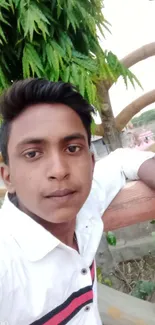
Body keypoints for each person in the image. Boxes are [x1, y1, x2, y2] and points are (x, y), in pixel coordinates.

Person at [0, 79, 154, 325]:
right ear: (8, 177)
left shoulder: (83, 202)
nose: (59, 171)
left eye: (72, 149)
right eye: (33, 154)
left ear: (92, 164)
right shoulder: (6, 261)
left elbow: (121, 159)